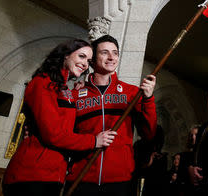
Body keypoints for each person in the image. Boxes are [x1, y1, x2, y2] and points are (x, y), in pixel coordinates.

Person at [3, 39, 116, 196]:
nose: (85, 64)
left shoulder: (64, 89)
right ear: (65, 55)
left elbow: (66, 124)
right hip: (30, 175)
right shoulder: (42, 82)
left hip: (54, 175)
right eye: (81, 56)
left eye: (88, 60)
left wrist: (78, 92)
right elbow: (53, 134)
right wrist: (94, 141)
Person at [65, 35, 157, 196]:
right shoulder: (76, 95)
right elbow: (65, 136)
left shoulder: (131, 92)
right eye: (105, 53)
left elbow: (149, 133)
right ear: (92, 60)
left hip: (119, 182)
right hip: (81, 178)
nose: (111, 57)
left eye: (115, 53)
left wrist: (148, 98)